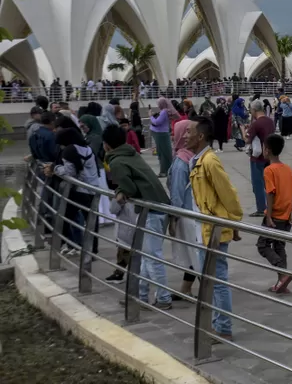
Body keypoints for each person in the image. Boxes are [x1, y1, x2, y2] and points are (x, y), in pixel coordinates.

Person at [185, 117, 243, 341]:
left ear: (200, 136)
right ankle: (219, 323)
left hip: (213, 230)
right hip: (204, 230)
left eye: (189, 131)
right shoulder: (197, 160)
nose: (185, 135)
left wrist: (234, 222)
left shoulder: (209, 162)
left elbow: (228, 194)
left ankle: (224, 327)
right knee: (210, 280)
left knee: (217, 281)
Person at [103, 124, 173, 310]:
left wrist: (120, 192)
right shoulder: (131, 154)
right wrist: (121, 189)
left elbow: (130, 188)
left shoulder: (117, 162)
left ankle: (164, 298)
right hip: (156, 208)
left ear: (106, 145)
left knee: (152, 258)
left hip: (150, 212)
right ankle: (139, 295)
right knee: (144, 256)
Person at [44, 127, 100, 254]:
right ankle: (93, 249)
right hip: (92, 189)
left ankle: (64, 242)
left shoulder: (69, 151)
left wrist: (55, 168)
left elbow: (70, 173)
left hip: (79, 191)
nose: (61, 146)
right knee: (92, 221)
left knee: (64, 216)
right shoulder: (87, 148)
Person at [257, 134, 292, 293]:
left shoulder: (269, 170)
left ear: (267, 150)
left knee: (263, 245)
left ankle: (283, 275)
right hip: (286, 216)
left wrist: (268, 216)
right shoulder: (287, 169)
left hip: (274, 216)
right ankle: (282, 281)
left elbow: (270, 193)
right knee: (279, 245)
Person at [167, 119, 201, 298]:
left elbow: (177, 194)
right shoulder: (192, 157)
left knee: (194, 255)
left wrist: (173, 218)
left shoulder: (181, 163)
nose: (184, 136)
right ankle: (185, 289)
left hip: (187, 215)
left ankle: (210, 293)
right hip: (194, 212)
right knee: (193, 254)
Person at [246, 99, 275, 217]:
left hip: (257, 157)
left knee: (257, 183)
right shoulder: (270, 121)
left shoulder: (256, 123)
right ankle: (272, 205)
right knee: (268, 183)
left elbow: (247, 139)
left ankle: (261, 208)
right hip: (269, 156)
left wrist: (243, 129)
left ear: (254, 110)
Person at [150, 97, 178, 177]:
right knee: (164, 152)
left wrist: (151, 116)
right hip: (161, 133)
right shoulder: (166, 111)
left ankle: (164, 171)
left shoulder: (164, 112)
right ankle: (166, 170)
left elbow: (157, 122)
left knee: (163, 153)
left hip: (160, 134)